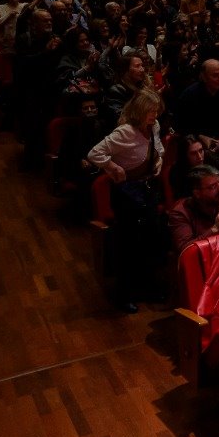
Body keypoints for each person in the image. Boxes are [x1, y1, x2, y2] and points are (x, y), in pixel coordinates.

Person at [86, 90, 168, 312]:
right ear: (140, 111)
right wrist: (113, 167)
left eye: (156, 111)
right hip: (127, 193)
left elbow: (158, 149)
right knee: (128, 244)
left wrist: (158, 161)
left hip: (148, 188)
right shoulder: (125, 132)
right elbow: (95, 154)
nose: (155, 115)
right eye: (151, 111)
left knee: (149, 240)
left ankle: (147, 288)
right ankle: (124, 294)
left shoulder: (154, 127)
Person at [167, 164, 219, 261]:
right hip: (201, 268)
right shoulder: (180, 213)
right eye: (213, 187)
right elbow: (185, 251)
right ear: (197, 193)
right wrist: (215, 228)